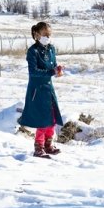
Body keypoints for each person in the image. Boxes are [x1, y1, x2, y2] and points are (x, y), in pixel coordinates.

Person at [18, 21, 64, 158]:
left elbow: (53, 66)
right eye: (45, 34)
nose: (48, 37)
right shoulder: (33, 51)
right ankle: (39, 147)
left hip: (48, 88)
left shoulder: (51, 49)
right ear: (37, 35)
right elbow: (33, 72)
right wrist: (51, 72)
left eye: (49, 34)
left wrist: (58, 71)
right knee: (42, 119)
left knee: (52, 118)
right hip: (37, 89)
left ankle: (48, 145)